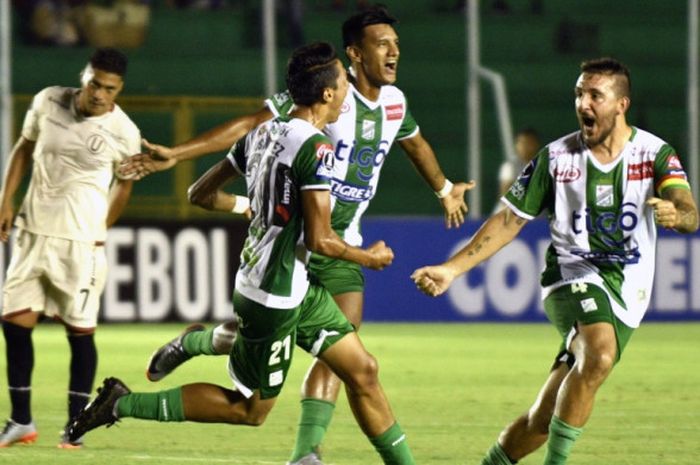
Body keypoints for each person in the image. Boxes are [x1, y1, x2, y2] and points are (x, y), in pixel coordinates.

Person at [124, 6, 473, 464]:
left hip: (340, 243)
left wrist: (445, 189)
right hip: (301, 242)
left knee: (343, 355)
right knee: (284, 345)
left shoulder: (395, 103)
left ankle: (305, 453)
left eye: (395, 43)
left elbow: (416, 145)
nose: (394, 51)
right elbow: (253, 125)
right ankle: (197, 344)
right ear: (355, 53)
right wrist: (178, 153)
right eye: (382, 43)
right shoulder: (328, 93)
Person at [66, 42, 417, 465]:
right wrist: (369, 258)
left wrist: (250, 207)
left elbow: (200, 193)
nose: (348, 90)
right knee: (249, 411)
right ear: (327, 94)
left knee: (364, 371)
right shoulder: (317, 149)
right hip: (274, 296)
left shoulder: (263, 134)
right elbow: (322, 240)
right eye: (344, 82)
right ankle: (120, 404)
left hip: (290, 284)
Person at [412, 57, 698, 465]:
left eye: (595, 95)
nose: (583, 103)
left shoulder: (654, 154)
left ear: (621, 104)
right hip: (571, 274)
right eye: (579, 93)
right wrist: (452, 268)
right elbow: (509, 220)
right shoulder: (556, 158)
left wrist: (678, 215)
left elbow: (688, 209)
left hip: (629, 289)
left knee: (542, 420)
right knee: (597, 355)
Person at [0, 48, 139, 448]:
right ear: (84, 76)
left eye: (109, 88)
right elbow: (24, 148)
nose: (99, 94)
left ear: (119, 90)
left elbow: (124, 185)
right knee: (14, 324)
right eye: (94, 83)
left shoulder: (123, 132)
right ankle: (21, 420)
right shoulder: (48, 101)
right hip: (31, 232)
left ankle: (74, 427)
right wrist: (7, 201)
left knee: (79, 333)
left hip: (81, 244)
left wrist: (101, 227)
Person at [496, 127, 540, 199]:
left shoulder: (542, 164)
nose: (524, 146)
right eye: (522, 143)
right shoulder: (510, 166)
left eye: (529, 143)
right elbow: (505, 195)